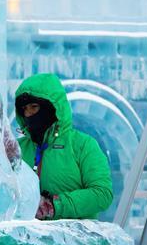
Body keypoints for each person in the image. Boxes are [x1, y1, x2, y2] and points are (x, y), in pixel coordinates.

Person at [14, 73, 113, 220]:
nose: (28, 114)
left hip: (75, 239)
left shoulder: (82, 145)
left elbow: (102, 194)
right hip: (27, 239)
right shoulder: (18, 149)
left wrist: (54, 205)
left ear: (53, 107)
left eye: (34, 107)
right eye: (25, 109)